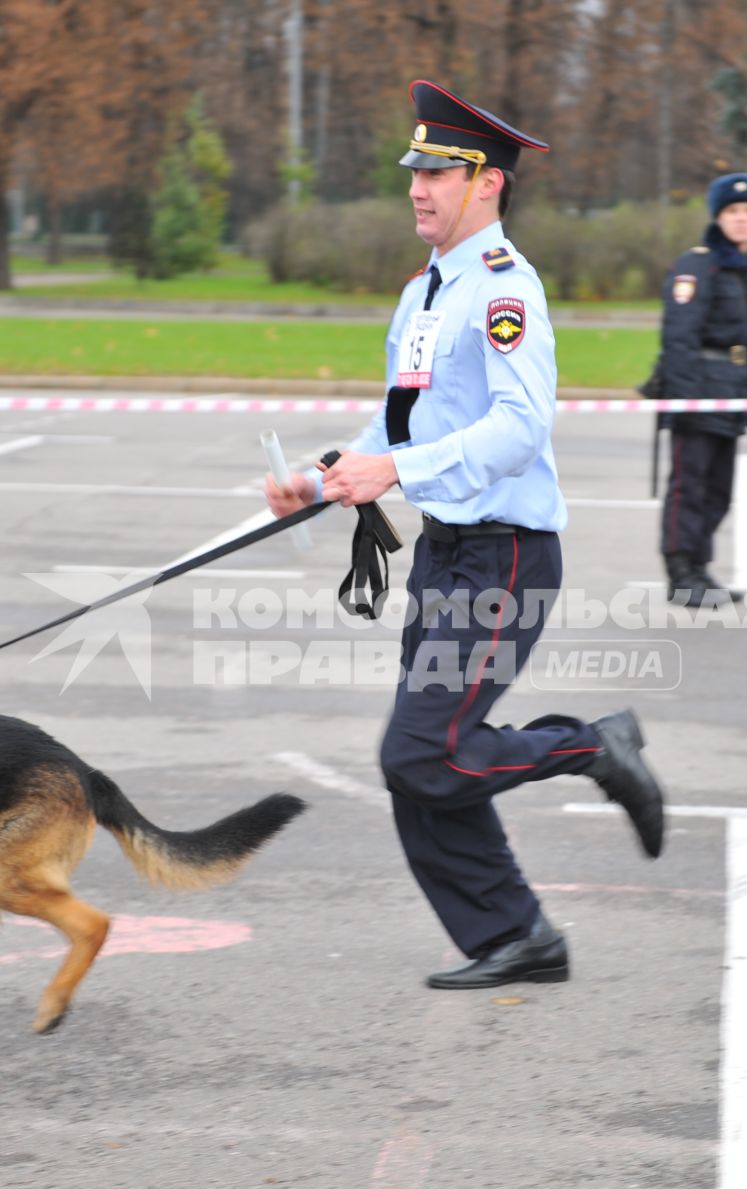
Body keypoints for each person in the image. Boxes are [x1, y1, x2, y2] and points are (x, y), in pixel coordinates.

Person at [263, 80, 666, 990]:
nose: (419, 186)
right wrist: (326, 477)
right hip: (449, 555)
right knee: (427, 760)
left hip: (507, 555)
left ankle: (593, 747)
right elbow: (399, 425)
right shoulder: (426, 294)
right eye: (416, 169)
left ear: (487, 184)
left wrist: (395, 473)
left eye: (440, 170)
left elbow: (521, 428)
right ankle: (514, 934)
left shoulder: (501, 292)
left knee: (421, 751)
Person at [650, 171, 747, 606]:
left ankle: (699, 569)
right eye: (732, 211)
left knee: (719, 488)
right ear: (718, 217)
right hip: (699, 390)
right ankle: (682, 571)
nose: (741, 219)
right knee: (691, 483)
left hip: (732, 391)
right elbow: (679, 336)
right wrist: (684, 400)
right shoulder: (698, 265)